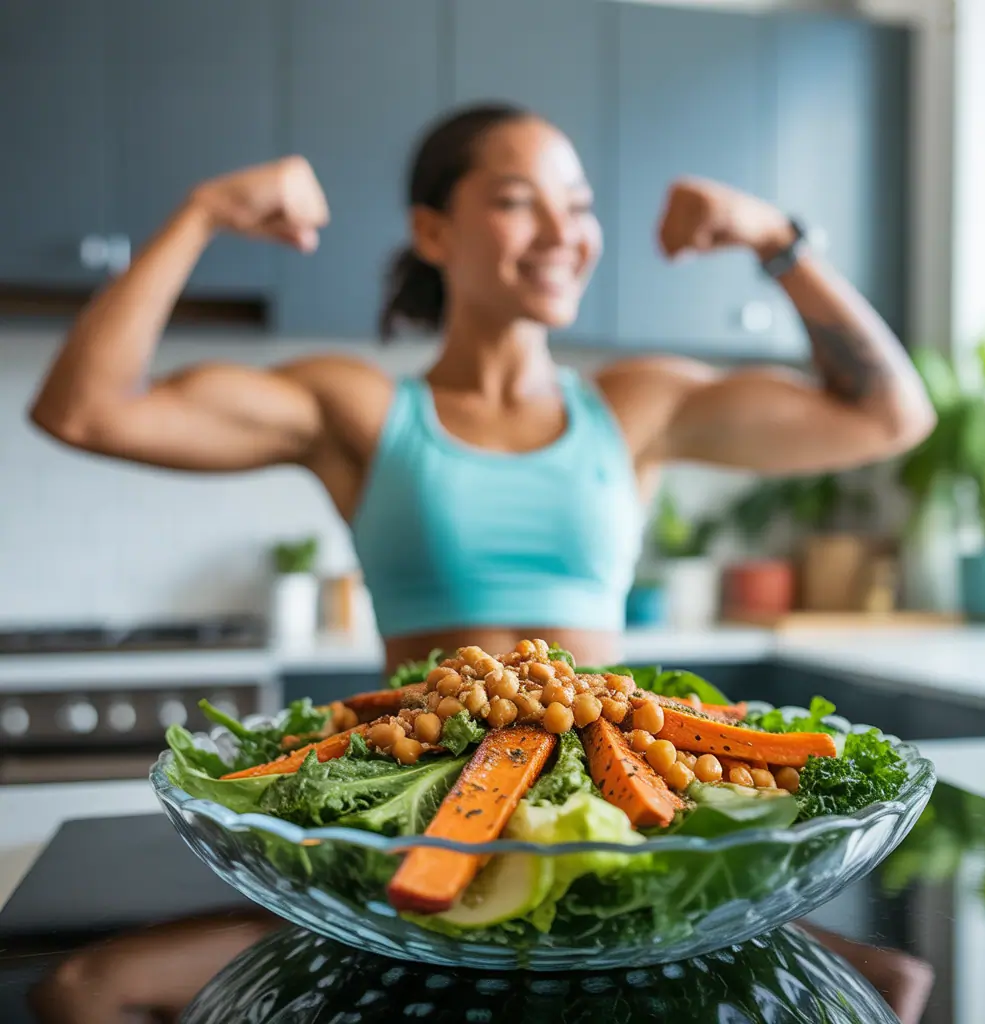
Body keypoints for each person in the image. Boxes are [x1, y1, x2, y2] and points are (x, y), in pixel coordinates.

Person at [30, 103, 935, 671]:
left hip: (600, 810)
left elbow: (890, 417)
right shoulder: (362, 413)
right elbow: (85, 410)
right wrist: (203, 215)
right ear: (433, 232)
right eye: (515, 201)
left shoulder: (636, 409)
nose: (560, 231)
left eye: (577, 204)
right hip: (421, 806)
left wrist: (779, 240)